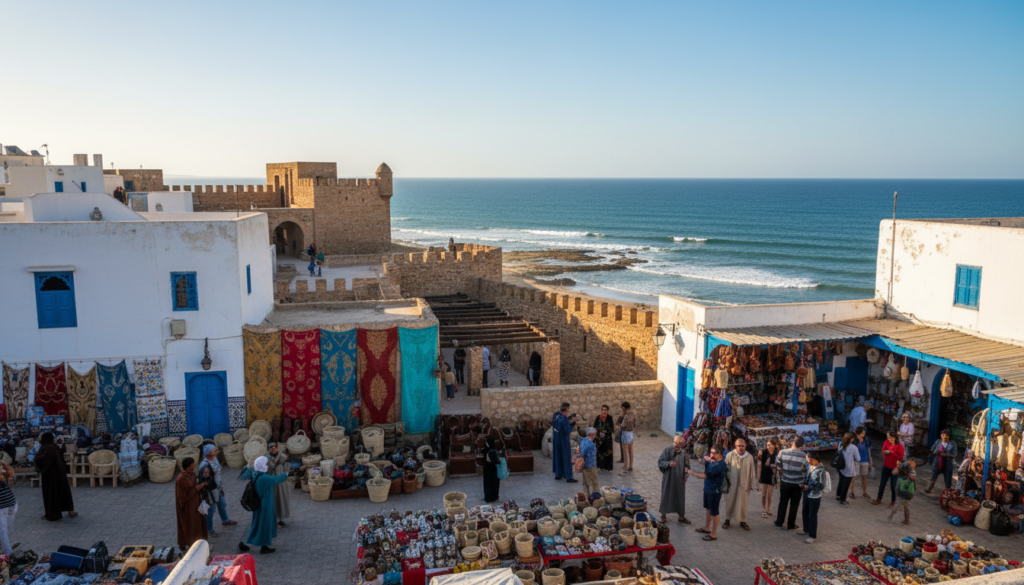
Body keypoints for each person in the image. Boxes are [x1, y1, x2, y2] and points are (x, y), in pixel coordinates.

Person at [238, 456, 289, 555]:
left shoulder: (255, 473)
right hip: (264, 504)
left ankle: (244, 542)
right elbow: (276, 480)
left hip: (258, 504)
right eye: (265, 464)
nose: (267, 465)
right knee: (264, 524)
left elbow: (243, 475)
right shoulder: (263, 478)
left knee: (256, 523)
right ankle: (264, 546)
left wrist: (248, 467)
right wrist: (285, 474)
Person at [687, 445, 727, 541]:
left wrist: (689, 471)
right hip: (708, 489)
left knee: (715, 512)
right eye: (711, 452)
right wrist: (707, 461)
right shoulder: (714, 462)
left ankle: (713, 534)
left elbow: (704, 475)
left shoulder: (719, 465)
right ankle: (707, 527)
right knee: (709, 509)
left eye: (714, 453)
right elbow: (707, 470)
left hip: (714, 491)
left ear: (720, 454)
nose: (711, 454)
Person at [197, 445, 238, 537]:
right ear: (208, 453)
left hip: (218, 489)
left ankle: (225, 520)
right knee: (211, 510)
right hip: (211, 491)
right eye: (213, 450)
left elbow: (218, 473)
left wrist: (221, 487)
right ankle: (209, 529)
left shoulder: (215, 459)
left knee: (222, 504)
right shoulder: (204, 465)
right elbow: (202, 479)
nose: (215, 451)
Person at [35, 433, 76, 521]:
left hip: (50, 475)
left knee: (52, 494)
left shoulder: (47, 447)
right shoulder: (54, 446)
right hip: (60, 474)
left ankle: (53, 514)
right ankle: (70, 510)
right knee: (63, 492)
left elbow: (42, 459)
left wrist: (36, 459)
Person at [723, 438, 758, 531]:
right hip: (732, 484)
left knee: (743, 502)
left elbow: (752, 471)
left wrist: (752, 484)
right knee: (730, 501)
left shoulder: (749, 457)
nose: (740, 448)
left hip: (744, 484)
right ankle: (727, 520)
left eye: (742, 446)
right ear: (735, 446)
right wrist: (725, 483)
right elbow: (725, 469)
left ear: (745, 446)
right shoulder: (730, 455)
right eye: (738, 446)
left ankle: (743, 521)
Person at [774, 436, 808, 531]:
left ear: (792, 442)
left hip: (785, 481)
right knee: (794, 504)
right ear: (801, 445)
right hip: (798, 483)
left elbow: (778, 464)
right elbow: (806, 470)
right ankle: (791, 525)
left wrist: (783, 471)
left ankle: (779, 523)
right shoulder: (804, 456)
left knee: (783, 502)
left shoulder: (783, 452)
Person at [658, 434, 691, 524]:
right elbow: (660, 462)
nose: (681, 446)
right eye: (680, 444)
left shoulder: (683, 452)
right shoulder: (667, 450)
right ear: (676, 443)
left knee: (680, 495)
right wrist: (668, 464)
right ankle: (663, 515)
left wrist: (686, 475)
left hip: (679, 478)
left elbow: (687, 465)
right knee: (666, 494)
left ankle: (681, 516)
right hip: (669, 478)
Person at [176, 457, 208, 549]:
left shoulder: (192, 474)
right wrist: (199, 487)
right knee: (189, 524)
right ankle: (187, 543)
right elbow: (183, 496)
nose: (193, 468)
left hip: (196, 504)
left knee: (197, 524)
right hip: (187, 506)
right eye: (191, 467)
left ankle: (198, 542)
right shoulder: (181, 479)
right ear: (186, 467)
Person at [799, 452, 826, 544]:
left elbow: (822, 485)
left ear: (812, 459)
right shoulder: (808, 465)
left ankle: (812, 535)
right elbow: (805, 475)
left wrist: (810, 487)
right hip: (806, 493)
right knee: (805, 511)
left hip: (815, 495)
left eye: (807, 459)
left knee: (812, 515)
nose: (806, 461)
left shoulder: (821, 470)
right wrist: (803, 484)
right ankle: (806, 529)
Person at [872, 430, 904, 507]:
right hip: (886, 466)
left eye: (890, 437)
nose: (889, 439)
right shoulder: (886, 442)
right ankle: (879, 498)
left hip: (894, 468)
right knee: (882, 483)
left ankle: (893, 501)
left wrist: (892, 453)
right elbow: (882, 451)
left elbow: (901, 457)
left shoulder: (900, 446)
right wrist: (885, 452)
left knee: (893, 485)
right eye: (888, 437)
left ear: (894, 437)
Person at [924, 429, 958, 494]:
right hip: (938, 461)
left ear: (949, 436)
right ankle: (929, 488)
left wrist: (946, 455)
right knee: (934, 475)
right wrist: (937, 452)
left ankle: (947, 492)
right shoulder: (938, 441)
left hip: (948, 462)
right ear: (941, 435)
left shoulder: (953, 443)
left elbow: (955, 454)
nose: (944, 437)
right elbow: (932, 449)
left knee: (948, 477)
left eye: (946, 435)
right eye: (943, 435)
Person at [266, 443, 292, 527]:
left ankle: (281, 518)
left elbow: (287, 466)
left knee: (282, 499)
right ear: (268, 449)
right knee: (274, 501)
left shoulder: (282, 456)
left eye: (275, 448)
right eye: (271, 448)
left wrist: (284, 475)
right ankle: (273, 520)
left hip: (280, 482)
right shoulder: (266, 458)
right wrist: (273, 464)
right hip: (271, 482)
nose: (273, 449)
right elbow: (265, 469)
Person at [551, 402, 578, 483]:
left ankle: (558, 475)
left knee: (558, 456)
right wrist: (573, 424)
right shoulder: (564, 419)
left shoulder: (556, 415)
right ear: (567, 409)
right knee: (566, 457)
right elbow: (567, 431)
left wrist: (568, 419)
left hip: (556, 439)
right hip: (563, 440)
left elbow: (558, 424)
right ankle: (569, 477)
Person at [887, 460, 916, 525]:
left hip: (905, 493)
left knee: (897, 506)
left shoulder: (909, 475)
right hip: (907, 493)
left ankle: (890, 517)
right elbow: (893, 472)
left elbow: (904, 485)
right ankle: (907, 520)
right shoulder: (906, 474)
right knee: (906, 507)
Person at [0, 461, 19, 555]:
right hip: (12, 504)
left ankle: (8, 555)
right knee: (4, 529)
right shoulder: (5, 470)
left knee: (3, 531)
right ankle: (5, 549)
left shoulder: (4, 472)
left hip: (4, 506)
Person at [758, 438, 780, 519]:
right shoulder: (764, 452)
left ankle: (768, 510)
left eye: (770, 445)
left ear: (774, 445)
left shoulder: (777, 454)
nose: (769, 447)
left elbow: (779, 465)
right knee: (763, 494)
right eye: (767, 445)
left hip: (772, 476)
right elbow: (759, 461)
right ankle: (763, 510)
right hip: (764, 474)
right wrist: (758, 474)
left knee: (770, 495)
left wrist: (773, 466)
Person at [836, 432, 860, 505]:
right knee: (845, 484)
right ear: (851, 439)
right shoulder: (853, 447)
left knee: (841, 481)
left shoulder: (840, 444)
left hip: (840, 466)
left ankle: (838, 495)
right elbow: (858, 459)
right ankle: (842, 499)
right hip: (849, 468)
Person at [593, 405, 615, 472]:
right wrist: (599, 432)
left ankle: (607, 467)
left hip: (607, 438)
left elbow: (611, 428)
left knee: (608, 452)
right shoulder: (598, 418)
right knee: (600, 451)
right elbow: (595, 427)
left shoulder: (609, 418)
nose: (604, 411)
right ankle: (600, 466)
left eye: (605, 410)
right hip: (599, 438)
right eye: (603, 410)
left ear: (607, 411)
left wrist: (605, 432)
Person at [578, 428, 600, 497]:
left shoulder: (583, 441)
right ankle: (594, 500)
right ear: (592, 435)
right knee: (593, 484)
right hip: (591, 467)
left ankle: (586, 498)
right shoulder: (591, 444)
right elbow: (584, 452)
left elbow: (581, 452)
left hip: (584, 466)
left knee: (585, 484)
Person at [854, 426, 874, 499]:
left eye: (864, 433)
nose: (863, 435)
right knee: (853, 477)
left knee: (864, 477)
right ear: (857, 434)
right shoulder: (854, 440)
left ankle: (864, 492)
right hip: (856, 461)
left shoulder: (866, 439)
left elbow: (869, 450)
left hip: (865, 460)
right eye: (862, 433)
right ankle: (851, 492)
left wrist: (870, 461)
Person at [618, 402, 636, 476]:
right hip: (631, 433)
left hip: (625, 434)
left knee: (625, 452)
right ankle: (631, 466)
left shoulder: (626, 416)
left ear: (624, 408)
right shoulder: (633, 414)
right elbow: (634, 424)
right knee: (631, 451)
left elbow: (623, 425)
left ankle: (625, 468)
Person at [483, 436, 501, 503]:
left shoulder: (489, 450)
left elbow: (488, 460)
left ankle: (489, 497)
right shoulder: (495, 449)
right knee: (495, 483)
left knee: (488, 484)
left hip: (488, 470)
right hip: (495, 470)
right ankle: (495, 496)